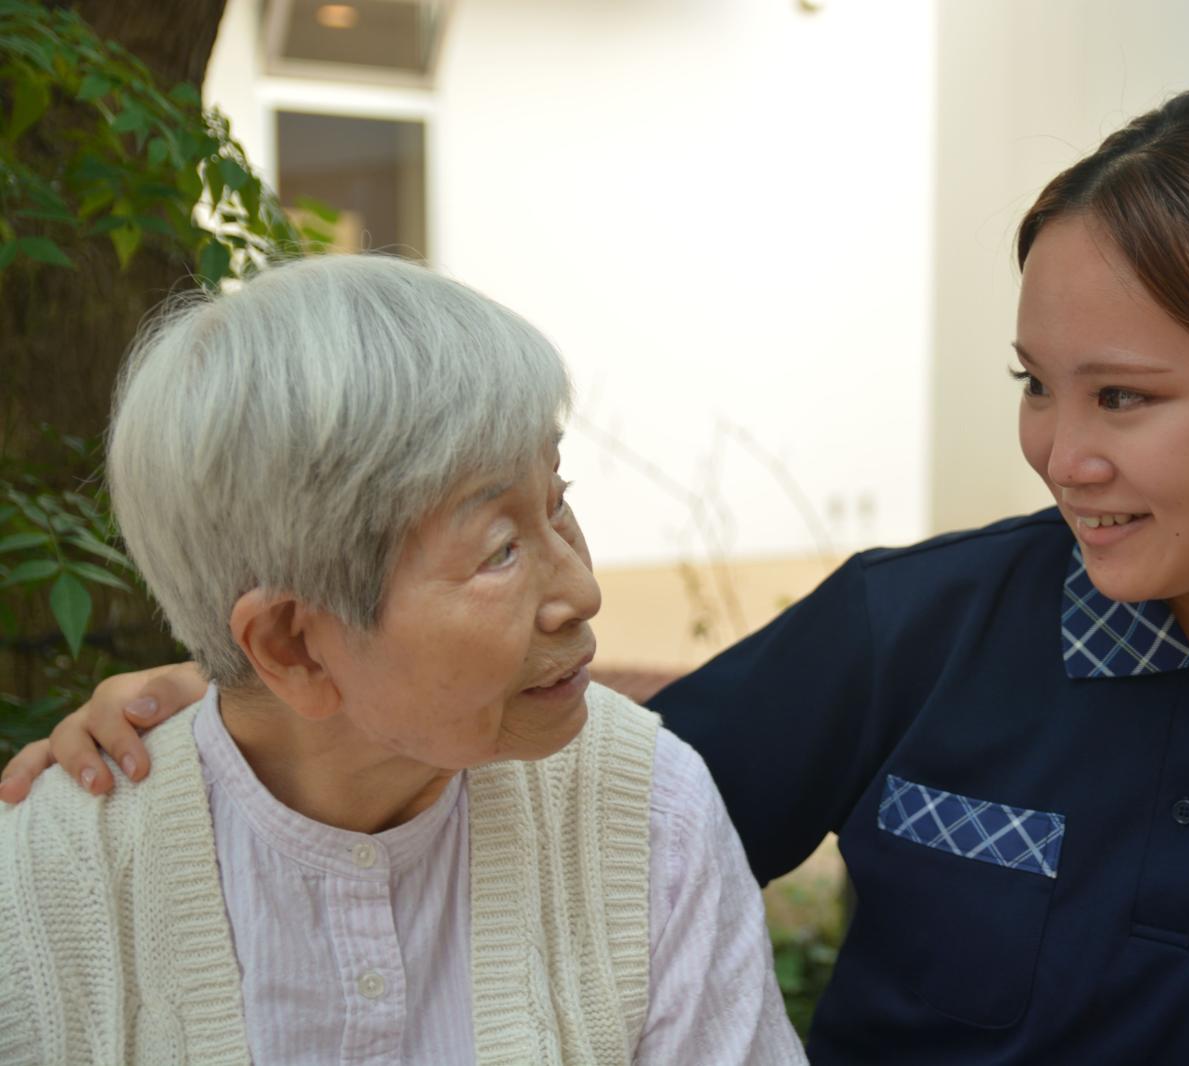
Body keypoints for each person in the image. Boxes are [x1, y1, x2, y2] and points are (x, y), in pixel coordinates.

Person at [8, 86, 1189, 1065]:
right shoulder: (910, 632)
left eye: (1124, 397)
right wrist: (253, 711)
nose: (1056, 449)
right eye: (1033, 383)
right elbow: (568, 789)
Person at [0, 255, 804, 1065]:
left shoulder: (645, 812)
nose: (581, 590)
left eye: (556, 501)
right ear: (290, 646)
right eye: (499, 549)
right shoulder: (46, 884)